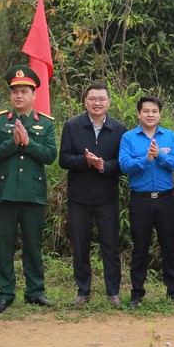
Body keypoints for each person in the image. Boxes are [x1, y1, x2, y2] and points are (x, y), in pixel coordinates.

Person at [0, 65, 57, 313]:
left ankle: (35, 291)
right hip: (5, 194)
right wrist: (12, 143)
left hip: (32, 195)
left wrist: (28, 143)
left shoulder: (44, 124)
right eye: (15, 91)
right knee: (4, 246)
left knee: (32, 245)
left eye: (24, 91)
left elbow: (50, 156)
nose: (19, 96)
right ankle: (5, 294)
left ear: (34, 94)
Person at [58, 82, 128, 307]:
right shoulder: (72, 125)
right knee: (80, 244)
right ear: (85, 101)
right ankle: (83, 290)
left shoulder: (119, 129)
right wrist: (85, 161)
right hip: (79, 197)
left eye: (101, 99)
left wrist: (103, 166)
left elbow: (123, 163)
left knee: (110, 244)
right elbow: (64, 159)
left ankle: (113, 291)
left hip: (107, 196)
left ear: (108, 102)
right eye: (92, 99)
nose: (97, 103)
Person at [119, 95, 174, 308]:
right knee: (140, 247)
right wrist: (146, 160)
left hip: (165, 199)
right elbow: (125, 165)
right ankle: (137, 293)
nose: (150, 115)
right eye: (146, 111)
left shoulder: (170, 136)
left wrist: (160, 157)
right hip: (141, 200)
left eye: (154, 111)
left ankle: (173, 291)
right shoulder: (129, 138)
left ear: (160, 114)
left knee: (169, 245)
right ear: (138, 113)